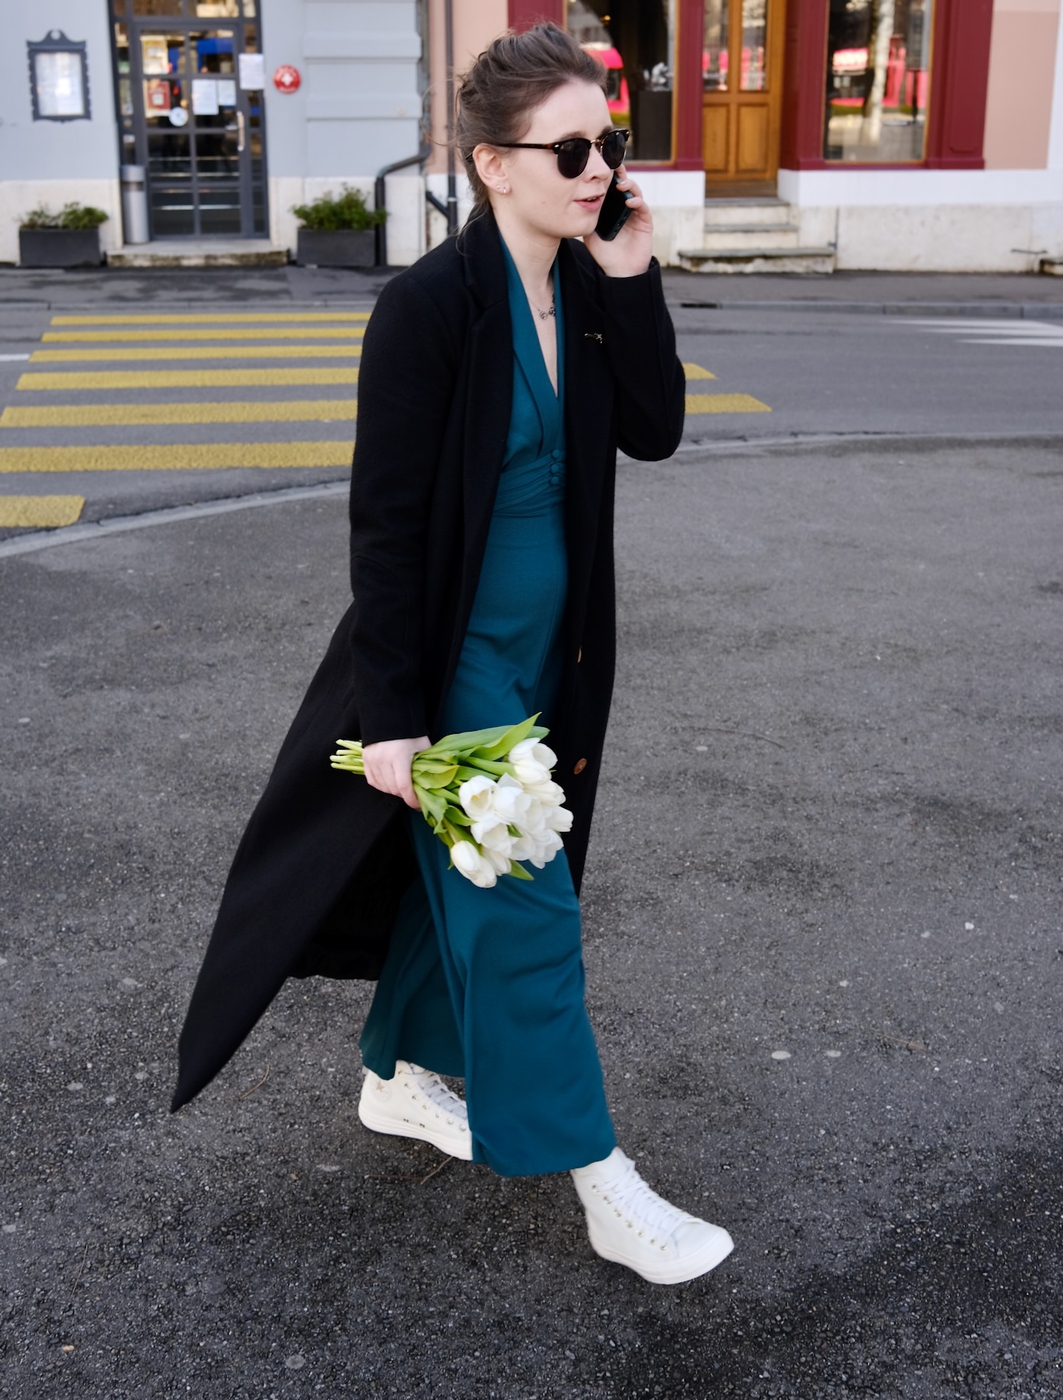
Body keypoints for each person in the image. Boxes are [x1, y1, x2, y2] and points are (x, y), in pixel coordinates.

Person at [173, 22, 733, 1287]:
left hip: (561, 650)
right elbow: (385, 522)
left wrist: (636, 275)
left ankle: (394, 1075)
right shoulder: (427, 309)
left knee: (477, 882)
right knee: (528, 895)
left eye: (613, 143)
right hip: (461, 656)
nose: (599, 168)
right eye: (573, 149)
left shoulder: (588, 289)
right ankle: (604, 1181)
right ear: (492, 164)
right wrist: (392, 715)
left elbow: (654, 430)